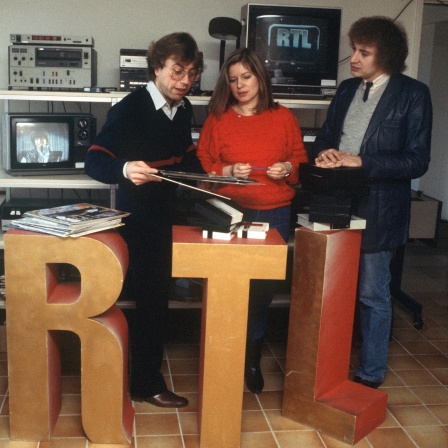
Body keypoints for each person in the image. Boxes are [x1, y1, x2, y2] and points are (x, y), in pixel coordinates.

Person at [84, 32, 204, 408]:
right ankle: (145, 384)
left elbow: (184, 156)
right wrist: (124, 168)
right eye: (177, 71)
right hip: (140, 218)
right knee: (151, 301)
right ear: (156, 69)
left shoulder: (182, 108)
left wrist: (217, 174)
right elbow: (94, 160)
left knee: (161, 298)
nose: (185, 81)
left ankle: (145, 378)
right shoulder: (130, 108)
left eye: (192, 73)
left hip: (170, 211)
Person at [312, 16, 432, 388]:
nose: (354, 58)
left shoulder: (413, 94)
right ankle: (324, 367)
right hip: (336, 202)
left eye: (364, 52)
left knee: (371, 293)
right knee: (329, 289)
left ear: (388, 55)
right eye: (354, 49)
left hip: (379, 209)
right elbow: (325, 138)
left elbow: (417, 161)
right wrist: (327, 155)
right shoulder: (347, 89)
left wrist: (362, 161)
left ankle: (369, 374)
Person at [196, 48, 308, 394]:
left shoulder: (283, 117)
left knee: (260, 293)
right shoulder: (218, 119)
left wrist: (288, 168)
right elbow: (203, 167)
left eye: (246, 77)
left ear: (260, 77)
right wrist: (227, 171)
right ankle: (223, 356)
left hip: (274, 213)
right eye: (232, 80)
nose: (240, 85)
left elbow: (299, 159)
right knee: (225, 288)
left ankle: (250, 361)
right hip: (230, 212)